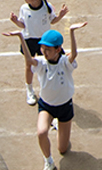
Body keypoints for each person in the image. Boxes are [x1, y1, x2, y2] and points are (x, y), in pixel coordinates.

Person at [4, 0, 68, 106]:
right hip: (29, 40)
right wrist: (16, 21)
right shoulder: (24, 8)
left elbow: (52, 20)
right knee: (29, 66)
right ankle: (29, 90)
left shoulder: (47, 8)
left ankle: (51, 89)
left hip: (45, 41)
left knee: (49, 65)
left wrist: (60, 16)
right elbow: (23, 25)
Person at [31, 24, 84, 170]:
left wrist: (72, 32)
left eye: (48, 49)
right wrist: (20, 37)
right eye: (43, 48)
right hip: (46, 106)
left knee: (63, 149)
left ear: (58, 49)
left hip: (64, 106)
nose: (44, 52)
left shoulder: (64, 63)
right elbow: (30, 60)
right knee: (41, 132)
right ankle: (48, 160)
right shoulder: (41, 62)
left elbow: (74, 54)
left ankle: (57, 125)